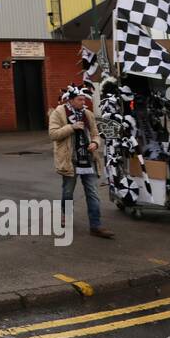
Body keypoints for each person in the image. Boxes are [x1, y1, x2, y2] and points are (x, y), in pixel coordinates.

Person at [50, 86, 115, 239]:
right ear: (71, 100)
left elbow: (95, 134)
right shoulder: (59, 113)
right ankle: (66, 214)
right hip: (70, 160)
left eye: (84, 99)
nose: (83, 102)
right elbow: (53, 134)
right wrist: (71, 127)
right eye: (80, 99)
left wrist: (95, 143)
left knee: (92, 193)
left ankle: (96, 226)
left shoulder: (88, 114)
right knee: (67, 191)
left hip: (88, 160)